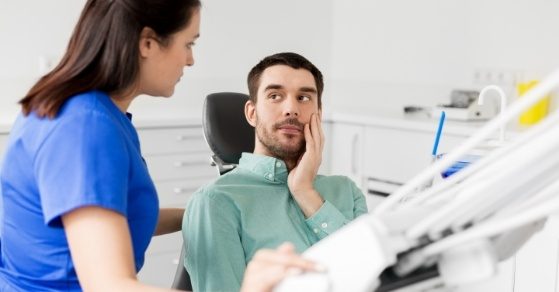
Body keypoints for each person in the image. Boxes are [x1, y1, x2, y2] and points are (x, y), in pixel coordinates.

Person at [0, 1, 314, 291]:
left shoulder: (103, 115)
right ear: (147, 43)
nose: (191, 59)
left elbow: (119, 217)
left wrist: (211, 209)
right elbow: (110, 286)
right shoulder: (85, 128)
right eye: (188, 44)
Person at [183, 52, 368, 292]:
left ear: (318, 116)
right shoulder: (216, 202)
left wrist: (305, 192)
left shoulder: (346, 191)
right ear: (252, 113)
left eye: (303, 97)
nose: (291, 109)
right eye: (275, 96)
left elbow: (374, 273)